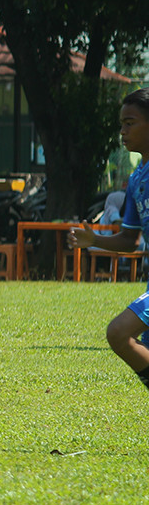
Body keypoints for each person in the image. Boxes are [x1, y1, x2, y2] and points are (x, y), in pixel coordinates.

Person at [70, 88, 149, 388]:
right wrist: (94, 240)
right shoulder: (137, 179)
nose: (123, 131)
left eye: (130, 123)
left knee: (118, 333)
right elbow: (130, 240)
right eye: (121, 124)